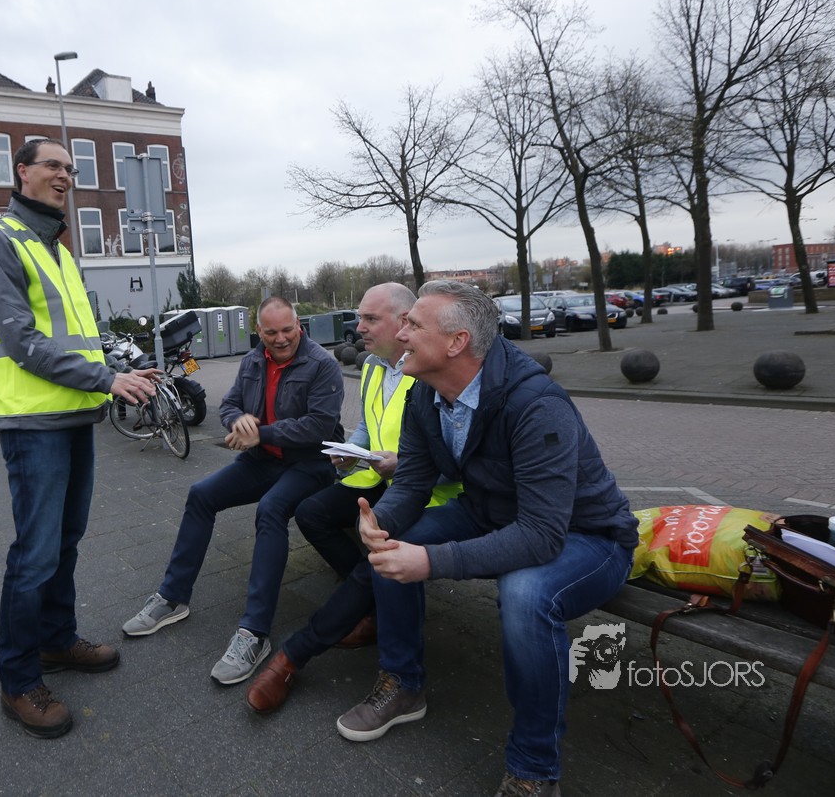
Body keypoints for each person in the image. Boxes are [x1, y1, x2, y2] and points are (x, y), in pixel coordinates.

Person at [247, 281, 637, 797]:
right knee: (392, 546)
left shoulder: (536, 404)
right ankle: (403, 684)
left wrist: (431, 561)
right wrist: (379, 521)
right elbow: (412, 480)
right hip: (490, 511)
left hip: (586, 534)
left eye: (413, 325)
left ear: (456, 342)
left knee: (525, 594)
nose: (402, 333)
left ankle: (534, 766)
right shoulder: (426, 391)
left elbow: (541, 535)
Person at [0, 137, 158, 739]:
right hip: (33, 423)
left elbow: (78, 337)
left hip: (74, 415)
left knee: (65, 542)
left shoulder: (57, 249)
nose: (65, 175)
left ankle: (55, 640)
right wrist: (106, 379)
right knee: (35, 553)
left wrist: (121, 367)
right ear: (21, 172)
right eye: (53, 165)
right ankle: (18, 678)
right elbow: (22, 341)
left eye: (70, 168)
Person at [122, 296, 344, 685]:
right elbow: (229, 404)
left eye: (287, 330)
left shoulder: (322, 364)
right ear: (259, 331)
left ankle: (254, 633)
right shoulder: (253, 360)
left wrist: (261, 433)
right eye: (271, 332)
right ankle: (172, 597)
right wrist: (237, 420)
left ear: (299, 325)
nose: (281, 339)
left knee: (270, 509)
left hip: (309, 464)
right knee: (201, 494)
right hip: (263, 460)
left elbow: (320, 426)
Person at [290, 283, 462, 650]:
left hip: (427, 489)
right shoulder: (370, 365)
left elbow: (457, 454)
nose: (359, 327)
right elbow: (369, 425)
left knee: (381, 534)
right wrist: (352, 450)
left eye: (370, 318)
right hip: (378, 475)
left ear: (404, 321)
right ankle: (366, 596)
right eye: (359, 318)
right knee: (310, 513)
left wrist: (403, 466)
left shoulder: (429, 369)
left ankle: (366, 608)